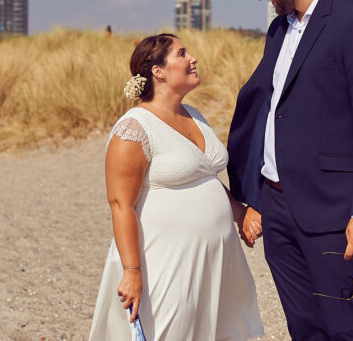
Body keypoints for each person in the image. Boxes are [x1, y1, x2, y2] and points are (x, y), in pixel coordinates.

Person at [227, 0, 353, 340]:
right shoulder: (279, 30)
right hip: (277, 210)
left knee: (348, 330)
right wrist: (253, 197)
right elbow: (270, 109)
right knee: (303, 330)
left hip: (333, 212)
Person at [90, 33, 264, 341]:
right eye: (182, 53)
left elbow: (204, 176)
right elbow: (120, 204)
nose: (193, 58)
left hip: (216, 259)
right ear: (158, 71)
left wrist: (240, 213)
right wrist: (132, 272)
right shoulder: (134, 128)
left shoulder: (193, 114)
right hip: (166, 259)